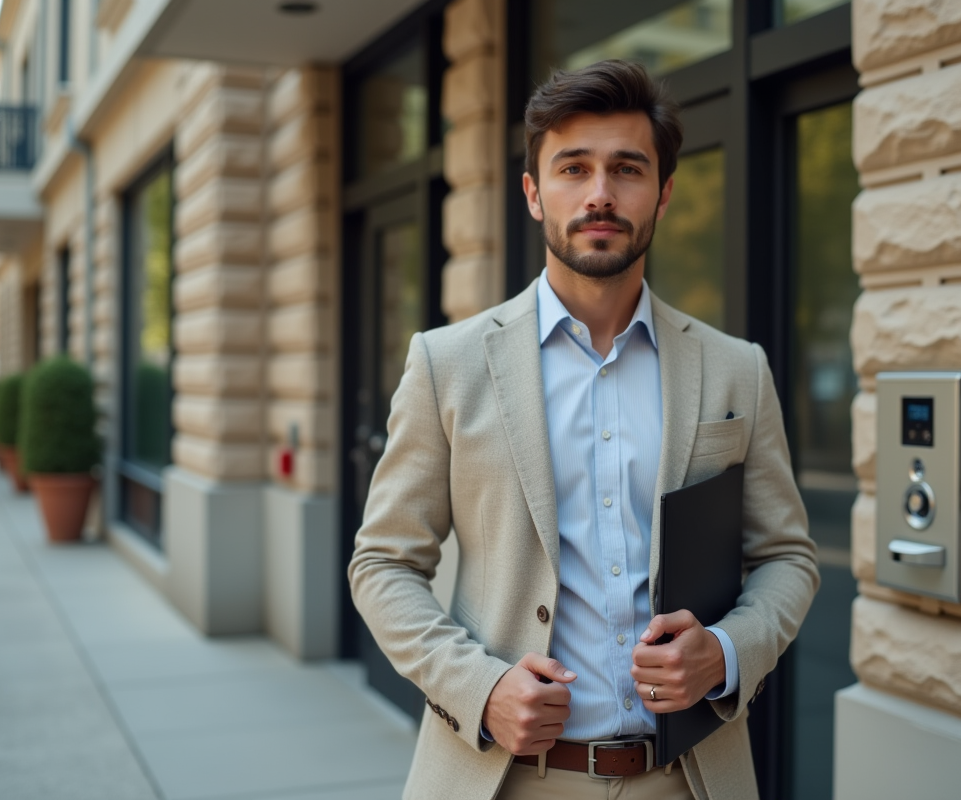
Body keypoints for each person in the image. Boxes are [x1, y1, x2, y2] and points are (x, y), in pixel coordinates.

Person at [349, 59, 819, 800]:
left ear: (663, 193)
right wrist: (479, 687)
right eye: (573, 168)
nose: (600, 193)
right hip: (507, 779)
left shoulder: (737, 370)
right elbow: (382, 563)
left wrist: (726, 652)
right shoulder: (448, 364)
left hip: (689, 778)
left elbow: (787, 557)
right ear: (534, 193)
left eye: (628, 169)